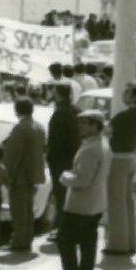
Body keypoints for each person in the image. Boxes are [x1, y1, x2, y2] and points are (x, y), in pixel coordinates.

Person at [55, 110, 111, 270]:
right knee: (88, 243)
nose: (81, 127)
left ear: (95, 126)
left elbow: (82, 180)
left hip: (81, 204)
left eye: (85, 124)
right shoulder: (103, 145)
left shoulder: (90, 149)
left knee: (65, 241)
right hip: (95, 202)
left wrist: (64, 177)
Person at [105, 83, 136, 256]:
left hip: (118, 158)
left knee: (116, 202)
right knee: (128, 202)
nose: (124, 95)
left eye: (128, 93)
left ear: (135, 96)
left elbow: (107, 131)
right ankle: (130, 242)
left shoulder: (123, 116)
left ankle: (117, 244)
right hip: (130, 158)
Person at [2, 97, 48, 252]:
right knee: (28, 210)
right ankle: (26, 240)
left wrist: (8, 175)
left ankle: (19, 241)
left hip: (20, 175)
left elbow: (13, 153)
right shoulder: (39, 127)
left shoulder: (20, 128)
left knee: (18, 211)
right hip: (34, 175)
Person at [44, 84, 79, 239]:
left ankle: (62, 229)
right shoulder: (75, 110)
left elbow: (56, 140)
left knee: (61, 196)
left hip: (61, 160)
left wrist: (51, 156)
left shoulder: (60, 114)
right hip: (72, 158)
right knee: (68, 195)